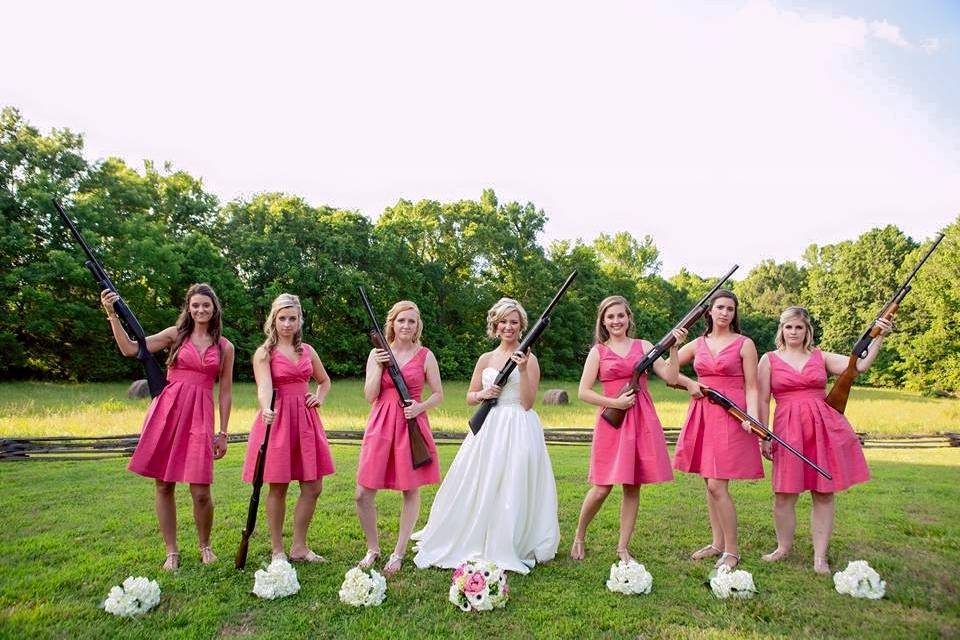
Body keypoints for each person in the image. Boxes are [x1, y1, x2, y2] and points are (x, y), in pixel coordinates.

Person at [412, 297, 559, 574]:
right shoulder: (486, 359)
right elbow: (469, 397)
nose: (508, 327)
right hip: (488, 425)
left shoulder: (531, 359)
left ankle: (510, 540)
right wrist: (484, 394)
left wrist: (524, 369)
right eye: (503, 321)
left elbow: (528, 403)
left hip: (519, 425)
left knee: (513, 481)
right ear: (495, 324)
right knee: (480, 481)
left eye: (514, 322)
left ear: (522, 326)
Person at [101, 283, 234, 571]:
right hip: (168, 411)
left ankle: (205, 545)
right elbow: (130, 349)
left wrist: (223, 433)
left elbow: (224, 392)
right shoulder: (175, 336)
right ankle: (171, 551)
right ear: (188, 308)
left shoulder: (225, 347)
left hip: (200, 417)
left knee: (201, 491)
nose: (200, 310)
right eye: (195, 305)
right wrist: (112, 314)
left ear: (214, 310)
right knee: (164, 484)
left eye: (206, 305)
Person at [757, 306, 891, 574]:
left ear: (807, 330)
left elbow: (859, 366)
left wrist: (880, 336)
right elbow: (762, 399)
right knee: (784, 494)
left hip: (822, 428)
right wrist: (764, 436)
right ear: (781, 330)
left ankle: (820, 557)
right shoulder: (768, 359)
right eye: (788, 327)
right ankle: (783, 547)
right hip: (787, 430)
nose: (793, 332)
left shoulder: (821, 356)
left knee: (823, 492)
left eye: (799, 327)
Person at [570, 295, 686, 563]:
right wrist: (615, 402)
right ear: (603, 321)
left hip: (641, 419)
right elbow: (583, 392)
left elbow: (670, 377)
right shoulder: (598, 351)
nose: (616, 321)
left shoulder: (644, 345)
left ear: (628, 317)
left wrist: (673, 349)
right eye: (610, 317)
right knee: (601, 487)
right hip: (612, 420)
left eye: (620, 315)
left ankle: (622, 548)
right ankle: (579, 535)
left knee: (633, 486)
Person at [672, 290, 763, 570]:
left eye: (730, 309)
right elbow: (668, 372)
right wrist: (675, 351)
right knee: (708, 482)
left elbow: (752, 386)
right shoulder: (698, 343)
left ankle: (732, 551)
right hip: (702, 413)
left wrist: (753, 418)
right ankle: (717, 543)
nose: (725, 313)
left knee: (716, 484)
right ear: (709, 312)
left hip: (730, 414)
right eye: (720, 308)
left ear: (734, 315)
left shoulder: (744, 344)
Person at [242, 293, 335, 563]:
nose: (287, 323)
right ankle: (277, 550)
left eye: (292, 318)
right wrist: (266, 407)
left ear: (299, 320)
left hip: (306, 421)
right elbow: (264, 387)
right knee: (278, 486)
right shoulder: (264, 353)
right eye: (282, 318)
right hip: (278, 419)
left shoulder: (308, 350)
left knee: (313, 486)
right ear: (273, 319)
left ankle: (299, 546)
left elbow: (324, 381)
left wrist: (320, 396)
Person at [355, 300, 443, 575]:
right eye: (401, 320)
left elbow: (438, 394)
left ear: (418, 326)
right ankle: (373, 549)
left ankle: (399, 552)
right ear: (391, 323)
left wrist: (420, 407)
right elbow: (370, 396)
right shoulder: (377, 354)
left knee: (410, 489)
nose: (406, 326)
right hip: (381, 422)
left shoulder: (426, 355)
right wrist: (380, 366)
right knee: (362, 494)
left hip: (411, 423)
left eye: (411, 321)